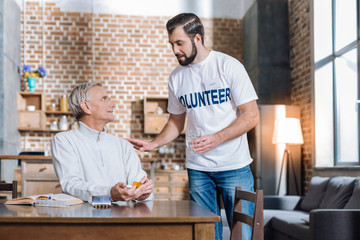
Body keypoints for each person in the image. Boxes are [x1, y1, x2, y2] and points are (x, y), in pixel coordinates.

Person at [126, 13, 259, 240]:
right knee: (205, 234)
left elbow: (251, 116)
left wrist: (217, 137)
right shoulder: (176, 77)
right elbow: (176, 122)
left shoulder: (228, 66)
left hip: (234, 165)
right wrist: (153, 144)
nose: (175, 50)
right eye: (171, 44)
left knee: (242, 235)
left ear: (197, 38)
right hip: (198, 168)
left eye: (180, 43)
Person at [52, 81, 153, 202]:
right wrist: (109, 193)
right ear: (86, 107)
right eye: (104, 99)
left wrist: (144, 192)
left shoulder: (123, 145)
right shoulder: (64, 141)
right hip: (83, 217)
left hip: (122, 217)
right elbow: (71, 184)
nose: (113, 104)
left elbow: (139, 187)